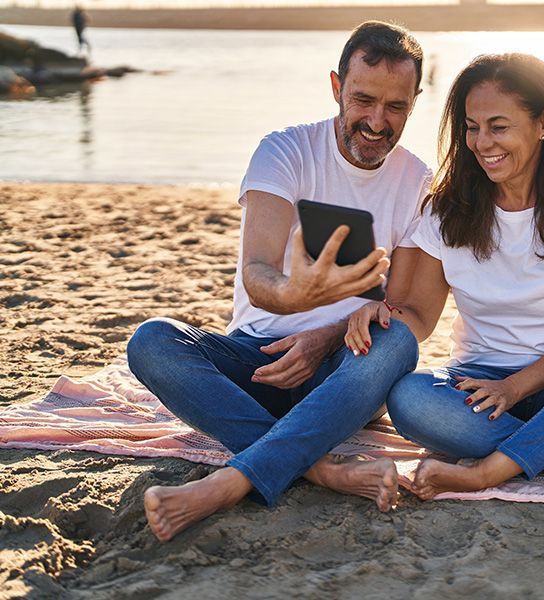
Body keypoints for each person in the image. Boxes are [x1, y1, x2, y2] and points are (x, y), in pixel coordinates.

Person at [126, 21, 431, 543]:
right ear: (336, 87)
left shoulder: (418, 180)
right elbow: (258, 272)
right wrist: (292, 298)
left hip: (344, 371)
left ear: (414, 100)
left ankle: (231, 481)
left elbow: (402, 309)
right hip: (258, 361)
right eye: (362, 100)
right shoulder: (285, 151)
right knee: (152, 340)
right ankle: (321, 469)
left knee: (399, 343)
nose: (377, 122)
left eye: (396, 107)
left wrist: (326, 336)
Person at [345, 53, 544, 500]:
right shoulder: (445, 211)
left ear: (543, 124)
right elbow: (419, 315)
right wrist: (382, 311)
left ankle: (488, 469)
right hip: (475, 390)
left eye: (498, 126)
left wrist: (513, 389)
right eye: (471, 127)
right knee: (408, 397)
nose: (481, 143)